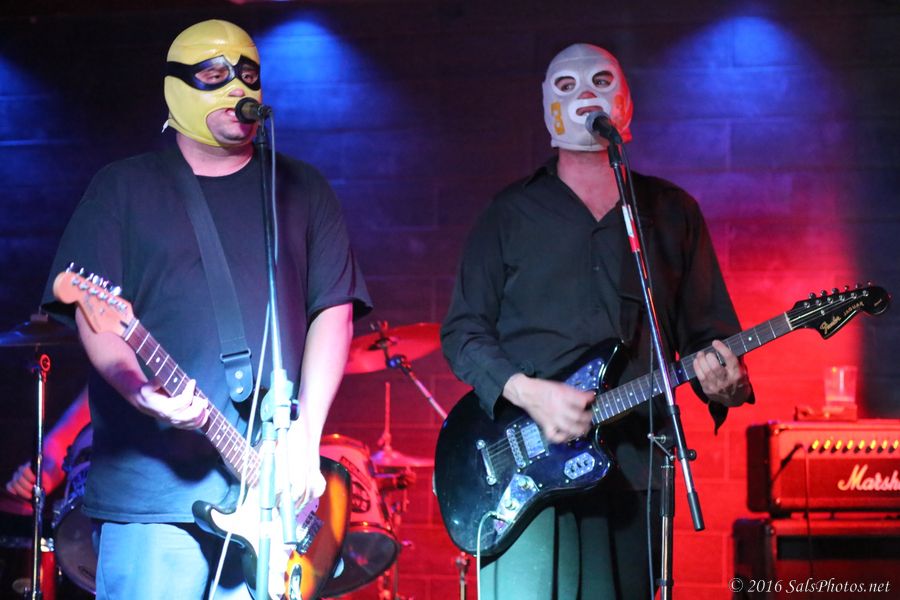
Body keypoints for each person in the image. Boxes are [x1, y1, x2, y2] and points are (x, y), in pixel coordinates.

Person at [40, 19, 370, 599]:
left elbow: (333, 311)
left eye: (247, 73)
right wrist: (140, 391)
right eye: (214, 74)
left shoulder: (302, 187)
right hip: (152, 493)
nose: (237, 87)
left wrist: (305, 436)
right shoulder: (123, 188)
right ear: (176, 87)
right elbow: (99, 320)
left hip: (270, 495)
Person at [440, 43, 753, 600]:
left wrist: (725, 383)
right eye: (567, 85)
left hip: (634, 469)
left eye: (601, 81)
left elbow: (709, 337)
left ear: (626, 103)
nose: (585, 92)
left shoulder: (671, 212)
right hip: (523, 472)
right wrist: (530, 392)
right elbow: (463, 333)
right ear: (547, 108)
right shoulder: (508, 213)